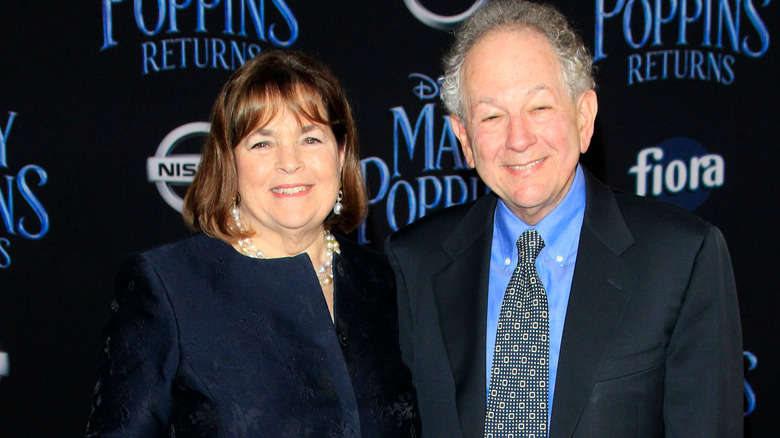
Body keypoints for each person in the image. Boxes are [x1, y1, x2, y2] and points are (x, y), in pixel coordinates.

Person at [384, 1, 743, 437]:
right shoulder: (414, 262)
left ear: (584, 116)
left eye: (539, 108)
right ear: (464, 137)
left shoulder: (681, 259)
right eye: (493, 116)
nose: (518, 139)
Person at [86, 50, 420, 437]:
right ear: (229, 161)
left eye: (310, 138)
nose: (289, 162)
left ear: (341, 153)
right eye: (262, 143)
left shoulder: (379, 279)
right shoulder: (169, 287)